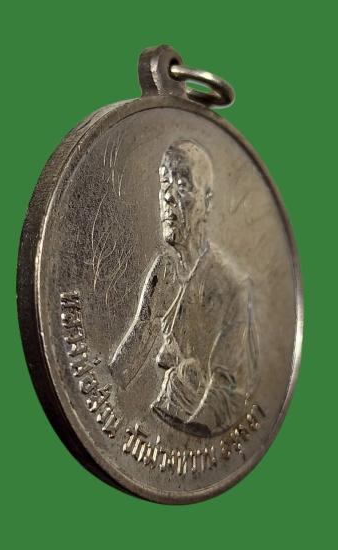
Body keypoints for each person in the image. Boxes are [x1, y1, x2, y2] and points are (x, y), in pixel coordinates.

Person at [109, 140, 257, 437]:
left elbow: (224, 399)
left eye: (182, 185)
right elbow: (118, 377)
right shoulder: (164, 270)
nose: (167, 195)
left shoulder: (232, 287)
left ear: (207, 201)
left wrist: (182, 414)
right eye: (164, 182)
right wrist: (145, 324)